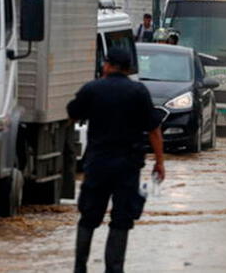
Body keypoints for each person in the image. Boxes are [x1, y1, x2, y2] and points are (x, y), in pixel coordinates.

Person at [67, 47, 165, 273]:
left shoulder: (92, 89)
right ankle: (114, 269)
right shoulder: (138, 92)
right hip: (127, 167)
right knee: (122, 219)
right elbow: (154, 130)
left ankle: (79, 268)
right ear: (128, 68)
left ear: (108, 65)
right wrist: (159, 162)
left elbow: (72, 115)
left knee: (88, 217)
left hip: (97, 164)